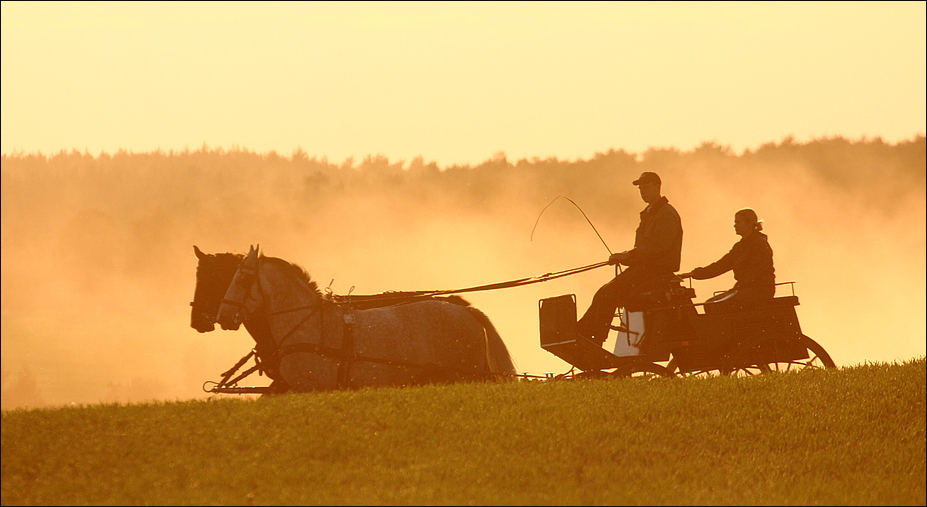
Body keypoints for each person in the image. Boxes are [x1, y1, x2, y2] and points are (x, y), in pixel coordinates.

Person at [576, 171, 683, 346]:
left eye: (646, 188)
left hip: (656, 272)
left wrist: (628, 256)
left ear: (658, 186)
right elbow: (644, 249)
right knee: (603, 292)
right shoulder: (650, 213)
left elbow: (658, 248)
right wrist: (627, 257)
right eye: (640, 189)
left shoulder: (666, 214)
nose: (643, 192)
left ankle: (593, 338)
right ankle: (584, 332)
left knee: (608, 294)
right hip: (643, 269)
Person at [678, 208, 775, 308]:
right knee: (710, 304)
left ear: (749, 224)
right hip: (745, 289)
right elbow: (721, 265)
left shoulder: (760, 245)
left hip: (760, 291)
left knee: (714, 306)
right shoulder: (740, 247)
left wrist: (737, 288)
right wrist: (695, 274)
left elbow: (755, 272)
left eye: (738, 222)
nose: (734, 225)